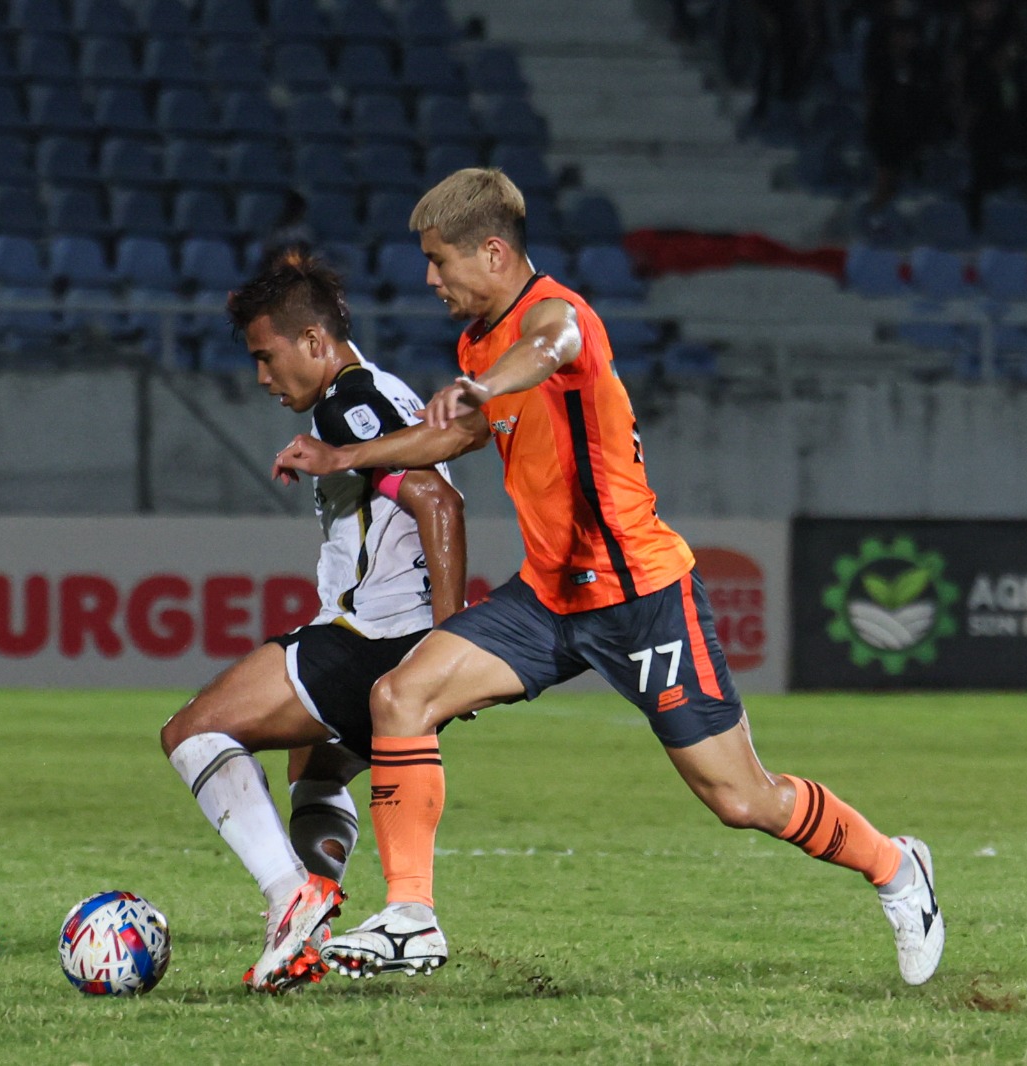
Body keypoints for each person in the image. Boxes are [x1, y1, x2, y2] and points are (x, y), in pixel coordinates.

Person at [272, 168, 944, 987]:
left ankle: (897, 868)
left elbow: (548, 348)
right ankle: (411, 915)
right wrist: (346, 455)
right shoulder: (475, 343)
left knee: (742, 800)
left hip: (642, 598)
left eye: (441, 261)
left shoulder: (559, 317)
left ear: (492, 251)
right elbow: (452, 442)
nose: (430, 279)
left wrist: (488, 383)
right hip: (549, 597)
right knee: (398, 698)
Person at [160, 251, 466, 994]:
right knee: (317, 769)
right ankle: (307, 933)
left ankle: (290, 897)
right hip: (402, 648)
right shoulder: (378, 394)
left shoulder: (346, 403)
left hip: (376, 640)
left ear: (316, 343)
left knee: (192, 733)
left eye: (268, 358)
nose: (263, 378)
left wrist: (454, 647)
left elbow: (437, 502)